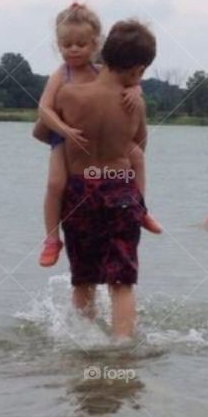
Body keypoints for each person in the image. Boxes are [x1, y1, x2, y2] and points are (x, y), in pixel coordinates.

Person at [33, 1, 161, 267]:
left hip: (100, 140)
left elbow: (130, 79)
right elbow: (44, 109)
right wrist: (63, 130)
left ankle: (140, 208)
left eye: (81, 43)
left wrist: (135, 91)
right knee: (56, 183)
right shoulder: (62, 74)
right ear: (58, 46)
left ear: (95, 44)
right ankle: (51, 239)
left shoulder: (101, 71)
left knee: (136, 156)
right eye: (66, 44)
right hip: (64, 134)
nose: (73, 49)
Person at [54, 19, 157, 340]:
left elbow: (44, 134)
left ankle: (81, 342)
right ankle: (122, 349)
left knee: (82, 279)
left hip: (79, 191)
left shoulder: (70, 95)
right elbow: (139, 147)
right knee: (121, 282)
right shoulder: (134, 103)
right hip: (120, 190)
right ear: (138, 69)